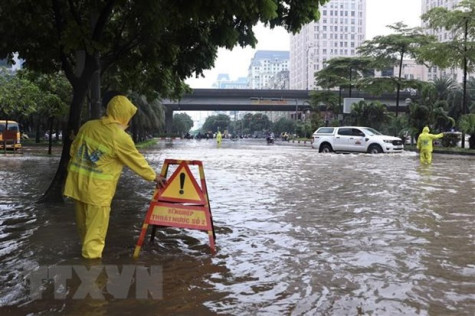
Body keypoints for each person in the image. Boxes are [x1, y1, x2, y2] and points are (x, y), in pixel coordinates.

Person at [63, 92, 165, 259]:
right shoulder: (119, 137)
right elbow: (136, 161)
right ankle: (90, 275)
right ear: (124, 115)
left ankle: (83, 265)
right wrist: (155, 177)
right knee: (95, 236)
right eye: (129, 115)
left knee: (84, 230)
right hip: (98, 193)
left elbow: (73, 150)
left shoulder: (88, 126)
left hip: (76, 186)